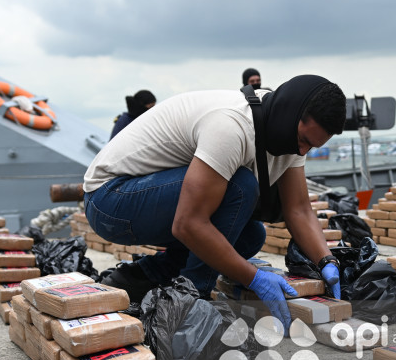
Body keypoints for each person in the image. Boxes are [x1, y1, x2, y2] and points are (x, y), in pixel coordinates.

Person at [84, 75, 345, 332]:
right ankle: (189, 301)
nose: (302, 152)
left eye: (312, 146)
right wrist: (252, 277)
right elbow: (188, 224)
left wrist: (326, 262)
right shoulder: (232, 126)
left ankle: (137, 278)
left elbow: (298, 209)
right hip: (110, 200)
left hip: (142, 197)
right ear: (291, 116)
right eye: (304, 141)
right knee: (240, 187)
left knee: (250, 236)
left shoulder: (289, 135)